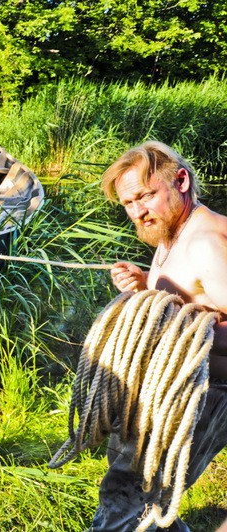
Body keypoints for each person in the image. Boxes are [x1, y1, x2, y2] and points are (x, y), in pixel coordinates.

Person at [95, 140, 227, 531]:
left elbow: (195, 316)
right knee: (142, 496)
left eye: (145, 196)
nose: (137, 212)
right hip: (172, 389)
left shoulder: (206, 244)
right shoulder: (173, 231)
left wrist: (180, 329)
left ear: (181, 180)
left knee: (127, 500)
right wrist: (146, 286)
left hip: (208, 394)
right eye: (127, 203)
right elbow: (194, 298)